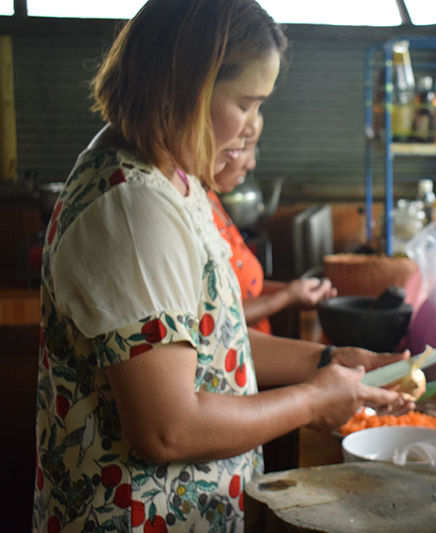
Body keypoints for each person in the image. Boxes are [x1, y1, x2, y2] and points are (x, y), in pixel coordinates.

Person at [32, 1, 412, 531]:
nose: (253, 127)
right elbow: (168, 428)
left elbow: (207, 341)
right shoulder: (133, 207)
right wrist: (311, 401)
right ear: (185, 86)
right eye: (247, 103)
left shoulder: (171, 181)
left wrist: (325, 360)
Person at [209, 114, 335, 335]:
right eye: (241, 148)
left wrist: (293, 291)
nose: (251, 163)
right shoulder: (195, 217)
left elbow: (245, 290)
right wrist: (285, 297)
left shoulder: (212, 201)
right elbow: (214, 317)